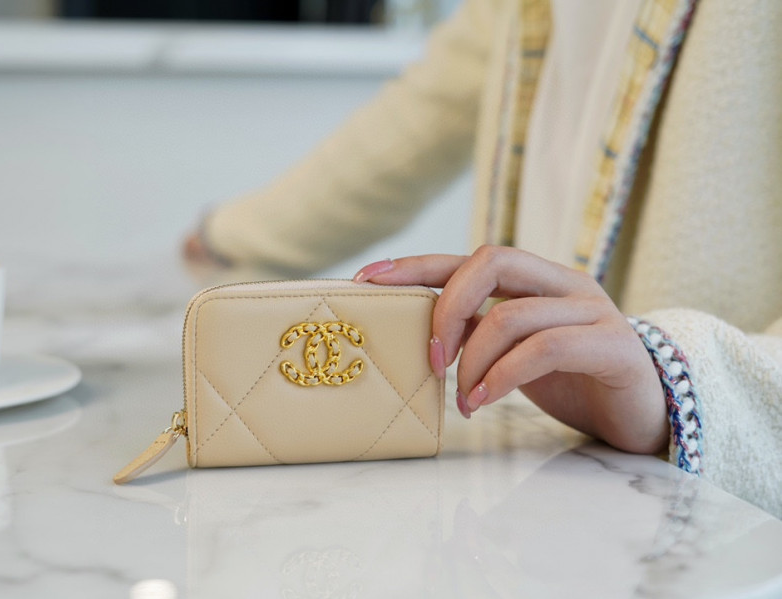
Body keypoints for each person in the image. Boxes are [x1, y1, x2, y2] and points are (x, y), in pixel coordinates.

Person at [183, 0, 782, 518]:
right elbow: (413, 124)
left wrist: (674, 381)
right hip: (525, 461)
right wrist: (231, 236)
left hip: (706, 521)